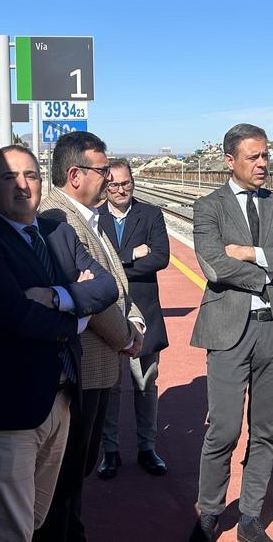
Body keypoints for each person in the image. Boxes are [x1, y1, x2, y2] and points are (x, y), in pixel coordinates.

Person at [0, 146, 119, 542]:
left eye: (30, 175)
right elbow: (17, 317)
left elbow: (106, 285)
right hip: (7, 409)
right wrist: (80, 319)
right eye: (9, 177)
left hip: (59, 400)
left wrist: (60, 298)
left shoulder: (57, 232)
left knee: (38, 517)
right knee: (9, 529)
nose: (22, 185)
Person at [189, 123, 273, 542]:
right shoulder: (208, 207)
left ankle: (250, 517)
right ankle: (209, 511)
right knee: (223, 429)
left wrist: (250, 253)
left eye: (266, 155)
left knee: (265, 430)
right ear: (230, 160)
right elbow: (213, 265)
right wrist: (270, 269)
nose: (263, 164)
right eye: (253, 157)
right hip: (228, 331)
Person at [36, 132, 145, 542]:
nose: (110, 177)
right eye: (102, 170)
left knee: (78, 467)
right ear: (75, 174)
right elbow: (91, 300)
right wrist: (127, 338)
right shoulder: (59, 219)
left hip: (99, 363)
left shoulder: (84, 216)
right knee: (65, 471)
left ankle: (71, 530)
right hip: (83, 364)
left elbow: (107, 285)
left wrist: (132, 321)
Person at [95, 158, 170, 479]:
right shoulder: (94, 218)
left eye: (126, 183)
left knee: (145, 384)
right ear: (105, 186)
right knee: (109, 387)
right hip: (109, 314)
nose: (120, 189)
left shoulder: (151, 214)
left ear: (132, 182)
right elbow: (94, 263)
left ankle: (147, 448)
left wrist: (116, 261)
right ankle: (109, 451)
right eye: (113, 184)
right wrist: (130, 255)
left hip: (146, 313)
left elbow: (160, 257)